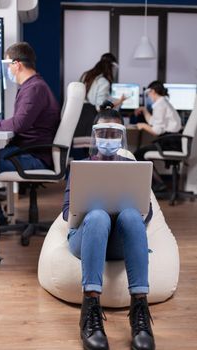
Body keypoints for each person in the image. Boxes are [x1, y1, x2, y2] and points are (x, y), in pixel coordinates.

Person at [62, 102, 155, 350]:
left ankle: (140, 312)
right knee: (98, 216)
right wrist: (90, 210)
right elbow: (65, 213)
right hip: (87, 237)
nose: (108, 138)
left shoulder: (134, 168)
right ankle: (90, 308)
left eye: (114, 133)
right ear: (95, 135)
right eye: (103, 133)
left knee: (132, 216)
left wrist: (130, 211)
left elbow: (148, 213)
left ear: (122, 136)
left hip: (119, 242)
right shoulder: (82, 167)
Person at [0, 41, 60, 242]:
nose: (8, 69)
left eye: (8, 64)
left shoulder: (34, 88)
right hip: (30, 151)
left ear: (17, 64)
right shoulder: (34, 86)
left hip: (34, 156)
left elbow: (18, 125)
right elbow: (20, 123)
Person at [73, 53, 127, 159]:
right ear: (111, 68)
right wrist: (120, 101)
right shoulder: (104, 81)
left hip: (79, 118)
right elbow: (100, 106)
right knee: (95, 156)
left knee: (87, 158)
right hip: (90, 119)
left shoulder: (87, 75)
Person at [134, 80, 182, 192]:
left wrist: (143, 126)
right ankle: (158, 183)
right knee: (141, 153)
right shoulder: (163, 102)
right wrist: (145, 110)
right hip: (172, 141)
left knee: (138, 154)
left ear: (153, 92)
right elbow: (153, 122)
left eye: (148, 94)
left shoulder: (160, 105)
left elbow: (157, 130)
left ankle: (159, 184)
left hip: (169, 142)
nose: (148, 97)